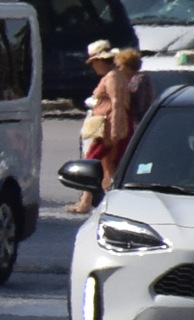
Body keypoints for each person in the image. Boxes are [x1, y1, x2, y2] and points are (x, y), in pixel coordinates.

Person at [70, 48, 140, 214]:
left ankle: (87, 202)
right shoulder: (115, 76)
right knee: (108, 165)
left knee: (92, 162)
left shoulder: (113, 77)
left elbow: (116, 103)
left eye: (94, 63)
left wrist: (115, 129)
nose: (93, 67)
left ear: (101, 62)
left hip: (109, 127)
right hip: (111, 125)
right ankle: (106, 202)